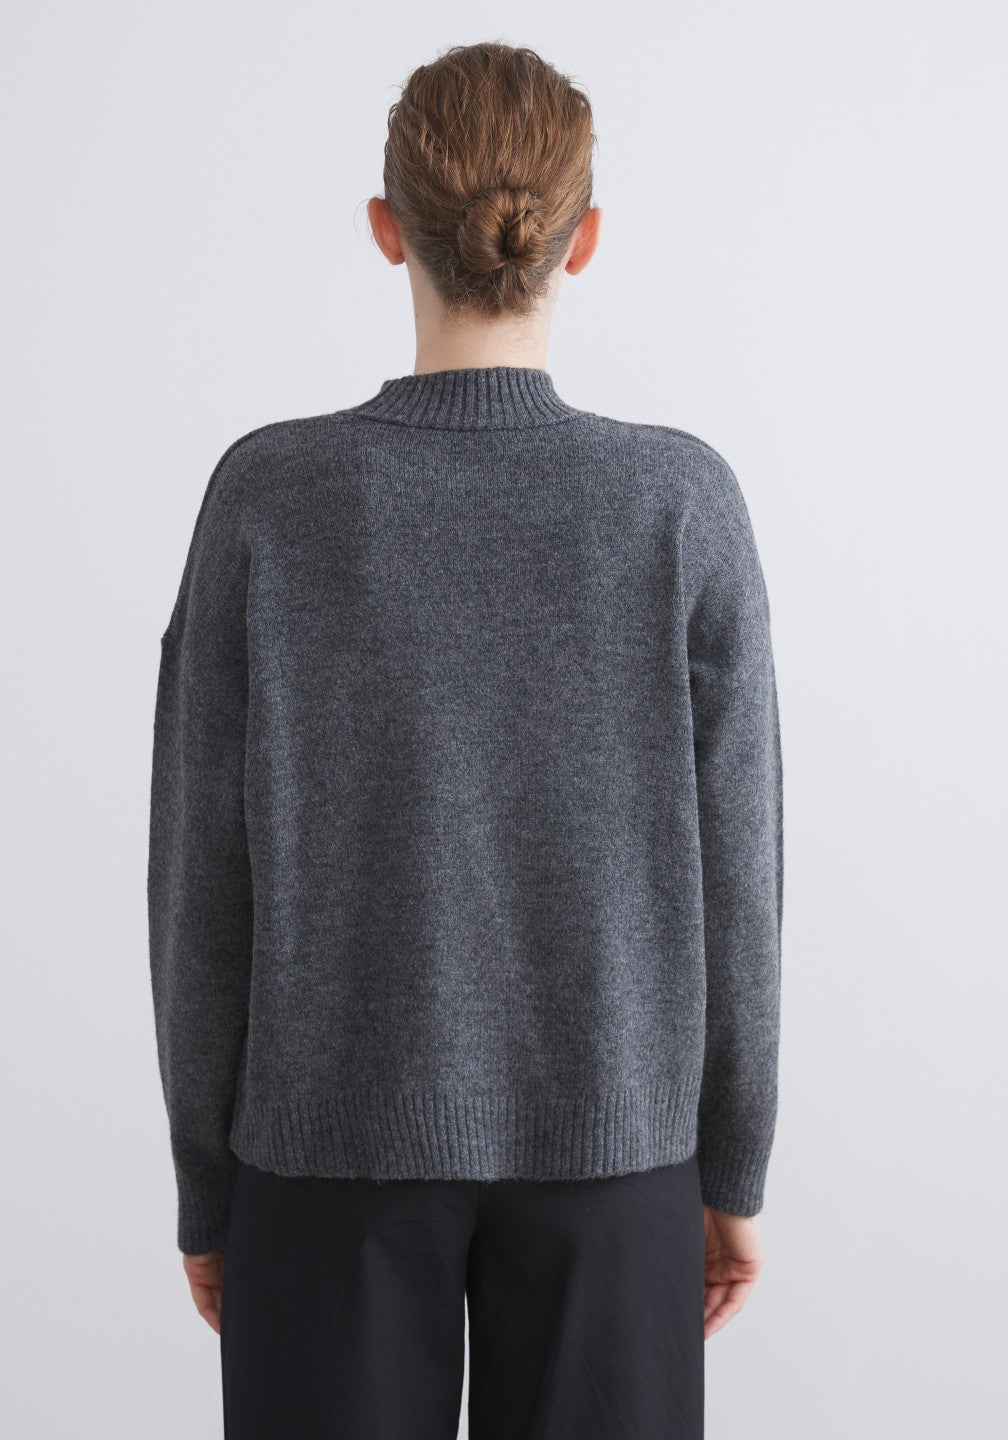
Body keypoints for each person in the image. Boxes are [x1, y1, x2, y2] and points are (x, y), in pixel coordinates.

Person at [147, 39, 783, 1440]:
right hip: (619, 1151)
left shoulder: (270, 498)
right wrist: (731, 1168)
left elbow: (201, 881)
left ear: (388, 229)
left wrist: (208, 1184)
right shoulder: (680, 504)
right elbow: (742, 876)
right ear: (583, 239)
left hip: (324, 1159)